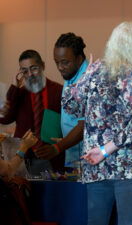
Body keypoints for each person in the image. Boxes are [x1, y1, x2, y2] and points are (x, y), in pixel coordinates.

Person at [62, 21, 132, 225]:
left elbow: (69, 106)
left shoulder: (94, 72)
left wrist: (81, 79)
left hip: (96, 166)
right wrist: (106, 149)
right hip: (129, 167)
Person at [0, 50, 65, 175]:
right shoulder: (19, 93)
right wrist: (14, 87)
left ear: (43, 66)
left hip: (52, 156)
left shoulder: (59, 90)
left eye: (34, 68)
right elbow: (5, 118)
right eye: (24, 71)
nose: (29, 74)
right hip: (24, 157)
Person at [34, 33, 88, 168]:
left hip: (88, 159)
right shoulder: (71, 74)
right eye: (57, 62)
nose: (60, 67)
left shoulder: (87, 80)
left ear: (79, 58)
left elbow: (85, 125)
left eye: (65, 62)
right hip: (74, 153)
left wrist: (57, 148)